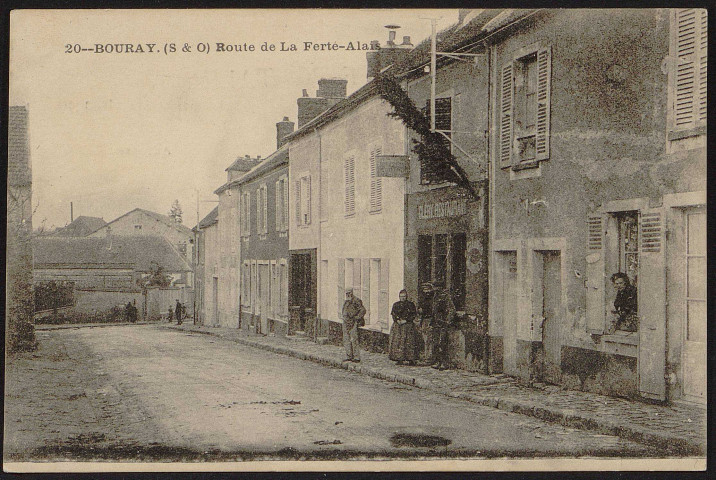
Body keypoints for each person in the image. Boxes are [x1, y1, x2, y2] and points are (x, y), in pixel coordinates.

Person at [389, 289, 421, 365]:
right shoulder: (396, 305)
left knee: (409, 342)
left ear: (406, 297)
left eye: (404, 296)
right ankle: (399, 359)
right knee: (398, 342)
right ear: (399, 297)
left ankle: (411, 359)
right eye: (401, 296)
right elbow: (393, 314)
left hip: (408, 326)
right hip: (398, 325)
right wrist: (397, 320)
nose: (402, 298)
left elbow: (413, 315)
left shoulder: (410, 304)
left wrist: (406, 320)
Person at [431, 285, 455, 370]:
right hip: (436, 323)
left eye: (435, 287)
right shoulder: (435, 296)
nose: (434, 289)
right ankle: (438, 362)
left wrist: (448, 321)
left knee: (442, 343)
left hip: (443, 323)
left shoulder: (445, 296)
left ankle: (444, 363)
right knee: (436, 343)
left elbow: (451, 309)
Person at [341, 288, 366, 363]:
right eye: (346, 293)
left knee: (354, 339)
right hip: (345, 322)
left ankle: (356, 357)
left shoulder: (356, 300)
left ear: (352, 293)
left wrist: (357, 318)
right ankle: (349, 356)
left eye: (349, 293)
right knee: (346, 340)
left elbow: (363, 310)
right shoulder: (346, 301)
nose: (348, 294)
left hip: (353, 322)